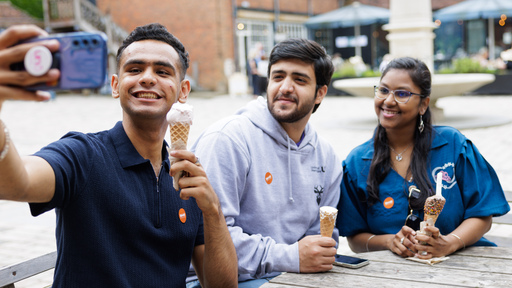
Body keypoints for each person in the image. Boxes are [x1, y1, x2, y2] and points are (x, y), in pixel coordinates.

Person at [0, 23, 237, 287]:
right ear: (115, 85)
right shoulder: (82, 156)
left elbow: (223, 285)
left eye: (162, 71)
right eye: (134, 69)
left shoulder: (189, 177)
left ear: (183, 91)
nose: (147, 78)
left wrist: (213, 211)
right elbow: (14, 184)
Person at [190, 38, 342, 287]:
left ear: (320, 93)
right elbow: (209, 237)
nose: (285, 87)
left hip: (293, 276)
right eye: (278, 76)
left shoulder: (327, 156)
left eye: (299, 79)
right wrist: (290, 257)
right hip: (220, 280)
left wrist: (312, 256)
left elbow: (320, 239)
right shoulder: (228, 139)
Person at [337, 57, 510, 259]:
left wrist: (450, 243)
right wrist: (390, 241)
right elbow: (355, 239)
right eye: (383, 90)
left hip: (465, 264)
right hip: (391, 274)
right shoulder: (357, 162)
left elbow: (483, 214)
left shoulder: (453, 145)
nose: (389, 100)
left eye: (402, 94)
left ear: (423, 104)